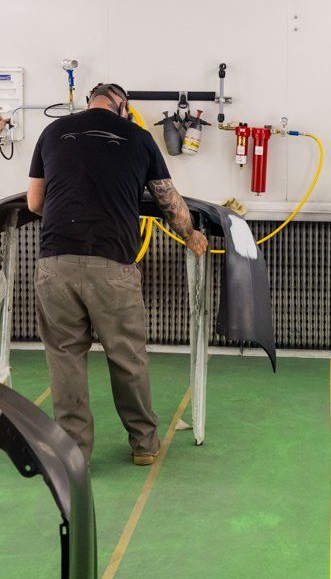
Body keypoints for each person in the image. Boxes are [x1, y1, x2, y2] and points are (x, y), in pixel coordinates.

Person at [26, 82, 208, 465]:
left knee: (65, 358)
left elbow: (35, 202)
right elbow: (168, 201)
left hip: (54, 263)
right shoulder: (138, 138)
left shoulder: (52, 132)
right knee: (127, 356)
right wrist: (190, 234)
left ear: (89, 103)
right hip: (112, 266)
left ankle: (74, 455)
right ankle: (144, 443)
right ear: (122, 107)